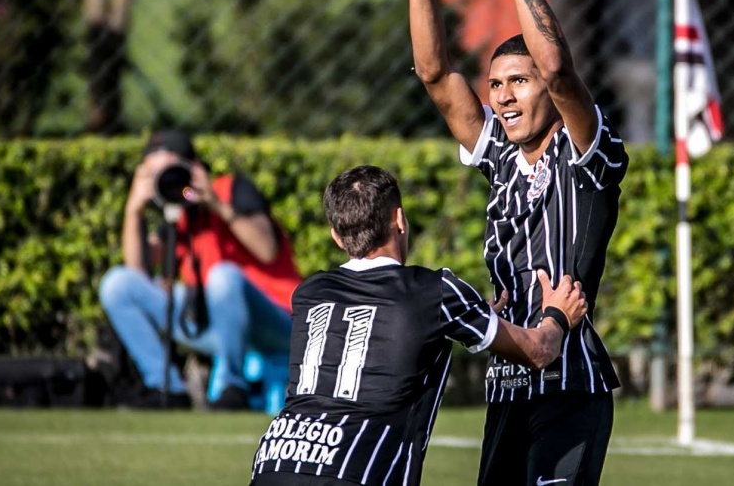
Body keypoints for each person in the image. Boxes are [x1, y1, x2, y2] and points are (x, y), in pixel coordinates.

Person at [406, 0, 629, 486]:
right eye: (496, 83)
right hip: (508, 384)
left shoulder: (590, 157)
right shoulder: (502, 156)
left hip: (569, 384)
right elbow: (433, 73)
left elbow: (557, 68)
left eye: (518, 82)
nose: (503, 95)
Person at [249, 165, 587, 486]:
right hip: (358, 469)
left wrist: (474, 315)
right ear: (399, 219)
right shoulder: (434, 292)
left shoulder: (309, 293)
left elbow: (377, 333)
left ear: (336, 236)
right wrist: (558, 315)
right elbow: (539, 351)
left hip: (273, 461)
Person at [99, 130, 302, 410]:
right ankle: (166, 388)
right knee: (118, 284)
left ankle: (233, 387)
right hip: (217, 328)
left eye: (172, 170)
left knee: (223, 277)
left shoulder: (231, 190)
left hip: (278, 320)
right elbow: (138, 273)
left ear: (194, 168)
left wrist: (214, 204)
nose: (168, 181)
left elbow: (267, 249)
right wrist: (134, 210)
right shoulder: (179, 215)